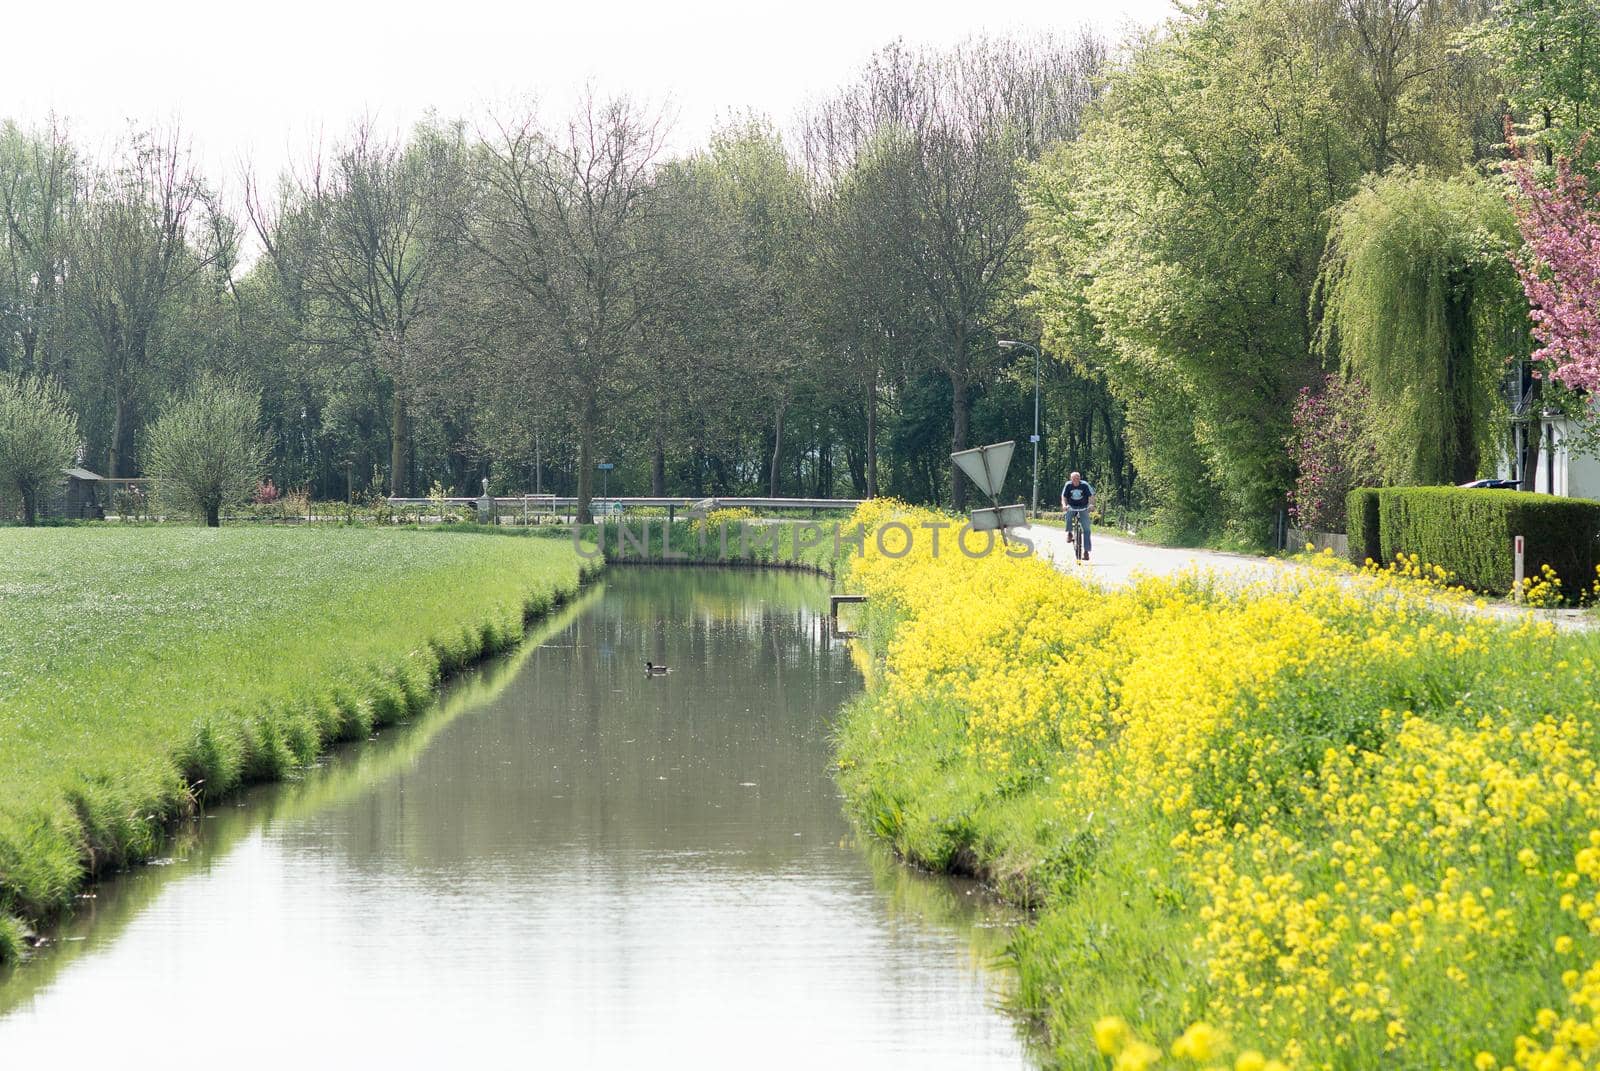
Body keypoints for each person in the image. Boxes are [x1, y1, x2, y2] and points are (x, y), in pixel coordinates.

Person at [1060, 471, 1094, 559]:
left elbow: (1091, 496)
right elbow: (1063, 497)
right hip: (1071, 506)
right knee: (1068, 516)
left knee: (1087, 529)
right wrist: (1064, 506)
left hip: (1083, 507)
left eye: (1077, 479)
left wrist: (1091, 505)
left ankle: (1086, 552)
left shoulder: (1084, 485)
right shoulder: (1068, 485)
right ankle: (1070, 533)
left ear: (1080, 478)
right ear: (1071, 479)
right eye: (1074, 479)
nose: (1076, 480)